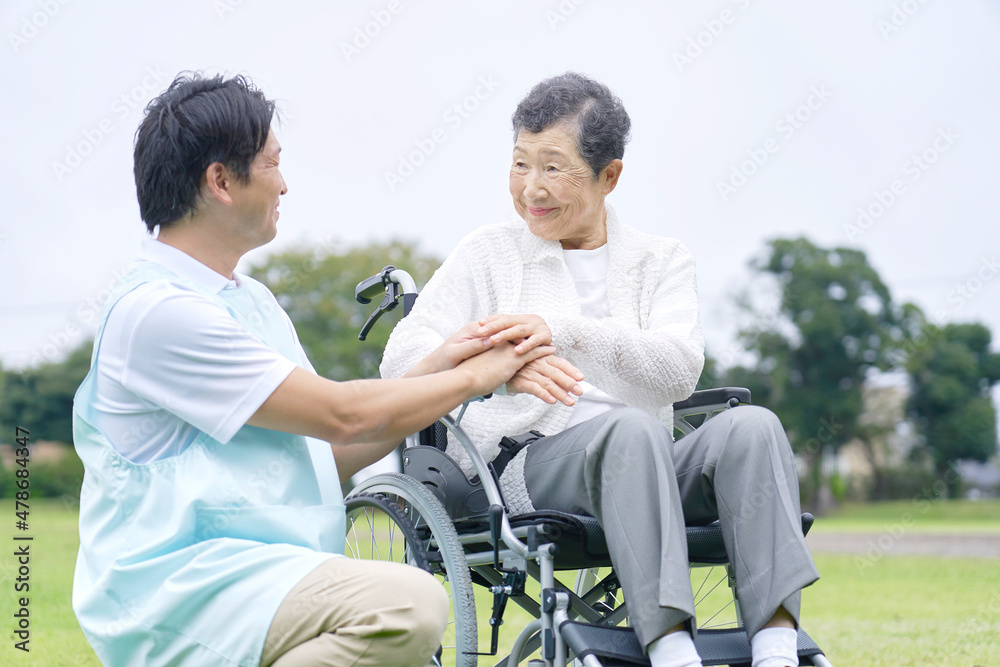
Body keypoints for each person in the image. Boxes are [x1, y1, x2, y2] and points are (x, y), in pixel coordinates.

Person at [71, 72, 565, 667]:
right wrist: (481, 375)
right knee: (406, 605)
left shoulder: (247, 300)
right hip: (180, 588)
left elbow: (321, 456)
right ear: (221, 180)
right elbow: (342, 415)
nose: (286, 184)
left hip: (261, 578)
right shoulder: (158, 312)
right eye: (273, 163)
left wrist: (443, 361)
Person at [380, 72, 820, 667]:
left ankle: (776, 650)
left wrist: (563, 332)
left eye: (553, 167)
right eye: (520, 164)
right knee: (631, 430)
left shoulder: (660, 260)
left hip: (650, 466)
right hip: (531, 463)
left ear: (608, 175)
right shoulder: (487, 253)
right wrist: (493, 367)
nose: (531, 188)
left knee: (754, 427)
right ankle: (670, 651)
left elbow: (679, 371)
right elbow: (400, 367)